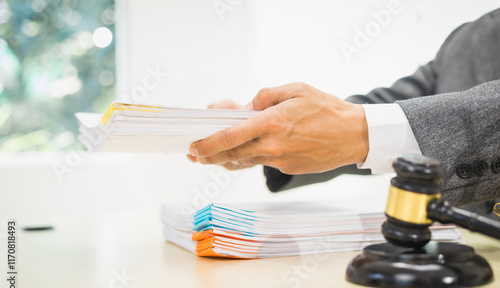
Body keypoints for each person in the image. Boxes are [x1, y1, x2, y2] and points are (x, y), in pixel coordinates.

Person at [187, 8, 500, 208]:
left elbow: (366, 126)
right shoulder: (468, 39)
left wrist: (357, 131)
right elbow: (398, 110)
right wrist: (263, 130)